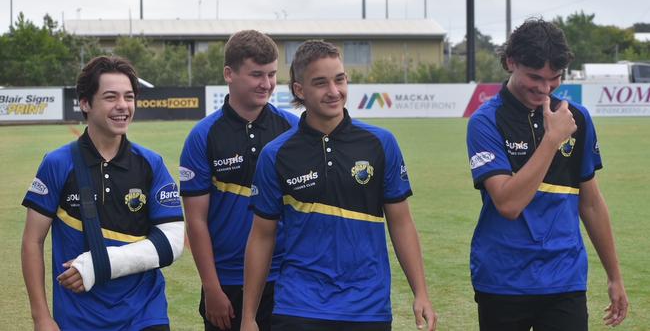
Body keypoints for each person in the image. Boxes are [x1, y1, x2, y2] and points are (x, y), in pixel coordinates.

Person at [241, 40, 437, 331]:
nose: (334, 91)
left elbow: (401, 223)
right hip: (299, 305)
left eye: (340, 79)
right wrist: (248, 316)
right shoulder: (276, 154)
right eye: (320, 83)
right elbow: (262, 237)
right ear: (299, 90)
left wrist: (421, 292)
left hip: (367, 307)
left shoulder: (380, 143)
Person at [466, 18, 628, 330]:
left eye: (554, 78)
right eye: (534, 77)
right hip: (503, 279)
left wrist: (615, 276)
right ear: (511, 62)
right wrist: (552, 140)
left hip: (564, 280)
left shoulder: (576, 118)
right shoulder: (485, 121)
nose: (544, 88)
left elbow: (591, 203)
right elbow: (508, 204)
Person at [21, 56, 185, 331]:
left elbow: (171, 243)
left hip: (144, 314)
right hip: (79, 317)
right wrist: (41, 317)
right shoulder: (57, 164)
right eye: (111, 97)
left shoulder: (151, 163)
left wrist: (97, 264)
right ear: (85, 103)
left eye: (129, 97)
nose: (123, 106)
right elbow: (32, 241)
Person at [180, 30, 299, 331]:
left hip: (285, 278)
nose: (267, 84)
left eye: (272, 74)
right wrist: (211, 288)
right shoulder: (203, 136)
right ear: (229, 74)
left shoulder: (293, 129)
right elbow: (196, 222)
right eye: (257, 74)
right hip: (228, 283)